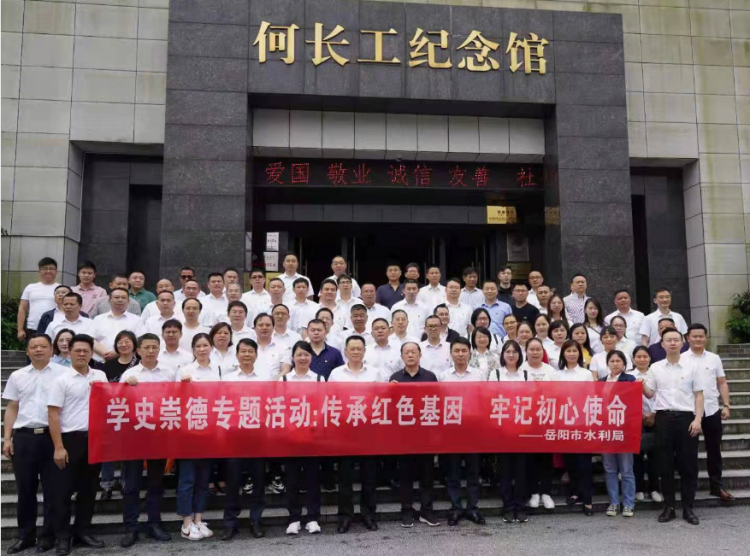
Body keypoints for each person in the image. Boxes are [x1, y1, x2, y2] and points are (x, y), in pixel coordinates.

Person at [2, 334, 67, 555]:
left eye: (43, 346)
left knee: (53, 490)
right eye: (34, 347)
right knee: (25, 490)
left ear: (51, 350)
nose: (38, 350)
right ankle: (26, 536)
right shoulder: (17, 376)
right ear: (27, 351)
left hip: (52, 437)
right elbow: (12, 407)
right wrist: (7, 438)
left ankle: (48, 537)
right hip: (25, 438)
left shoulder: (64, 374)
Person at [47, 334, 107, 555]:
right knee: (62, 491)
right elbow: (53, 415)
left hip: (95, 439)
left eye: (86, 351)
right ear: (69, 352)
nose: (82, 354)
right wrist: (58, 447)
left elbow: (110, 403)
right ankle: (63, 536)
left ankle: (83, 531)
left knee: (88, 489)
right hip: (69, 440)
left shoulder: (100, 375)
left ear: (92, 353)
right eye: (78, 350)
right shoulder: (61, 380)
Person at [642, 327, 704, 525]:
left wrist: (698, 419)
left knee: (688, 465)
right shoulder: (655, 368)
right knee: (665, 464)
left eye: (676, 339)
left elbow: (699, 395)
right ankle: (669, 507)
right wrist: (640, 384)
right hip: (663, 419)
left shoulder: (693, 366)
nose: (672, 343)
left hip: (687, 419)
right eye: (668, 340)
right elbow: (650, 393)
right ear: (662, 344)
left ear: (682, 343)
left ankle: (688, 508)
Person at [117, 334, 174, 547]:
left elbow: (177, 399)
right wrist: (125, 388)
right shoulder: (129, 374)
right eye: (147, 347)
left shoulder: (169, 372)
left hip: (159, 433)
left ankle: (154, 523)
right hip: (134, 434)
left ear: (159, 349)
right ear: (138, 350)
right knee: (131, 484)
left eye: (154, 347)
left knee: (156, 482)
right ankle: (131, 527)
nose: (151, 351)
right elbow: (117, 403)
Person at [329, 337, 381, 533]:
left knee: (369, 477)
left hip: (369, 431)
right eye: (352, 349)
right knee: (345, 478)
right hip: (345, 431)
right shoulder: (336, 374)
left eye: (359, 348)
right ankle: (345, 516)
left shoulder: (375, 373)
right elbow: (330, 400)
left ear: (364, 351)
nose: (356, 352)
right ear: (346, 351)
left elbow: (382, 399)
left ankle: (369, 515)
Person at [221, 339, 269, 541]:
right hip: (234, 437)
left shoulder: (265, 378)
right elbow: (222, 404)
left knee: (258, 481)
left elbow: (269, 405)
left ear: (256, 355)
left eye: (250, 351)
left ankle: (256, 520)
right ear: (237, 355)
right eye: (243, 351)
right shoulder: (227, 379)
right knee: (233, 482)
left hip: (257, 437)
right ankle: (230, 523)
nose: (247, 354)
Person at [389, 342, 440, 528]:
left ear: (420, 355)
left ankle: (427, 511)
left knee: (427, 475)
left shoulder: (430, 377)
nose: (410, 355)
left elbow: (437, 403)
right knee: (405, 476)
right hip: (404, 435)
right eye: (406, 352)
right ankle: (407, 511)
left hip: (425, 434)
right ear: (402, 356)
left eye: (413, 352)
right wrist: (389, 390)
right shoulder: (395, 378)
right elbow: (390, 408)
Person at [175, 333, 221, 541]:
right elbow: (175, 399)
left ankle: (198, 519)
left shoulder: (218, 369)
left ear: (211, 347)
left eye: (205, 345)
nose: (202, 349)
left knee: (204, 478)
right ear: (193, 349)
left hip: (210, 431)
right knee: (187, 479)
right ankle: (186, 523)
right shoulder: (185, 371)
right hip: (189, 431)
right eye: (198, 346)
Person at [683, 323, 734, 501]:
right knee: (689, 451)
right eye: (694, 336)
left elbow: (722, 382)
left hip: (711, 408)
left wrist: (726, 405)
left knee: (714, 449)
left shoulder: (714, 358)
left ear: (705, 338)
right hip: (689, 410)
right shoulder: (681, 359)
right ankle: (689, 488)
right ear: (687, 338)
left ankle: (716, 486)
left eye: (701, 336)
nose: (698, 339)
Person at [439, 338, 485, 526]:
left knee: (473, 472)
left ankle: (473, 508)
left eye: (464, 351)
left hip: (473, 429)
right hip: (452, 430)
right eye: (457, 351)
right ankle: (456, 507)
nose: (460, 354)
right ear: (451, 353)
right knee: (453, 472)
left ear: (470, 353)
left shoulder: (479, 375)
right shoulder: (443, 376)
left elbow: (484, 400)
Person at [281, 342, 323, 535]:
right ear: (293, 357)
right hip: (290, 438)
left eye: (306, 354)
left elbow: (323, 405)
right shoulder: (284, 379)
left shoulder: (319, 379)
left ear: (311, 357)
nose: (302, 358)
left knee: (313, 479)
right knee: (292, 480)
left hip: (312, 437)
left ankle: (312, 518)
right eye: (299, 354)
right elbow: (278, 406)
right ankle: (294, 518)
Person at [489, 340, 530, 522]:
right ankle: (508, 507)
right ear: (502, 354)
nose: (511, 355)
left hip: (522, 428)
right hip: (502, 428)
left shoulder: (526, 374)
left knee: (522, 471)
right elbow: (491, 398)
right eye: (507, 351)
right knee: (505, 470)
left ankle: (520, 507)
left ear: (520, 355)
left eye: (514, 352)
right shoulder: (495, 374)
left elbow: (532, 399)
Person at [554, 340, 594, 516]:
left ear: (579, 353)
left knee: (584, 462)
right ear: (563, 353)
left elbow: (591, 398)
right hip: (564, 423)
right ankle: (575, 492)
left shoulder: (586, 374)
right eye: (568, 351)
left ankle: (588, 499)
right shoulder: (557, 375)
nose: (571, 354)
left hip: (582, 422)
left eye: (574, 351)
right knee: (570, 462)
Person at [600, 350, 637, 518]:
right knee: (609, 469)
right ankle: (614, 502)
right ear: (607, 363)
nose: (615, 364)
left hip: (624, 430)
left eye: (618, 361)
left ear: (624, 363)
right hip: (606, 430)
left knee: (626, 469)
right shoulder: (601, 382)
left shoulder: (630, 380)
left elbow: (632, 404)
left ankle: (628, 504)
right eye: (612, 361)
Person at [628, 346, 662, 504]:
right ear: (633, 359)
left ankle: (654, 488)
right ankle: (639, 488)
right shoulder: (629, 376)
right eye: (638, 357)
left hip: (656, 418)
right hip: (635, 420)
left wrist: (653, 413)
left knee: (655, 455)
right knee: (637, 456)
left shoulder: (656, 374)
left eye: (645, 356)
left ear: (650, 358)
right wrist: (639, 415)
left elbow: (661, 396)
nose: (642, 360)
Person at [18, 257, 59, 342]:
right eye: (45, 268)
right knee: (33, 350)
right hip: (33, 328)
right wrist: (20, 329)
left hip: (54, 328)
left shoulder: (61, 288)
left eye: (51, 268)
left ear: (56, 271)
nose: (48, 271)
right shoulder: (30, 287)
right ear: (39, 271)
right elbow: (22, 308)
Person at [92, 288, 141, 360]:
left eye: (123, 297)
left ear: (128, 301)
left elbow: (139, 339)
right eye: (116, 297)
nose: (120, 300)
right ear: (109, 300)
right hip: (100, 361)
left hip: (127, 361)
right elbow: (91, 339)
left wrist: (117, 353)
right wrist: (105, 354)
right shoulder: (98, 319)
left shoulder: (137, 320)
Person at [254, 313, 292, 381]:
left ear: (273, 327)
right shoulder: (248, 347)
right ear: (254, 328)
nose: (264, 328)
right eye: (261, 325)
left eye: (268, 325)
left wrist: (274, 382)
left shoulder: (283, 347)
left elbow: (286, 370)